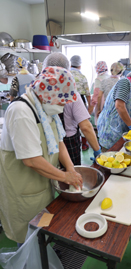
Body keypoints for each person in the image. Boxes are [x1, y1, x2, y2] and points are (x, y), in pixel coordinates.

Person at [0, 66, 83, 244]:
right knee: (27, 235)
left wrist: (71, 169)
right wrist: (65, 176)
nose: (62, 107)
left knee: (41, 231)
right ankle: (26, 267)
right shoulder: (21, 112)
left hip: (41, 184)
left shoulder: (45, 109)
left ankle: (42, 258)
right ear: (48, 94)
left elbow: (59, 141)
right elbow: (31, 160)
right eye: (61, 102)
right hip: (23, 187)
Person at [42, 52, 101, 163]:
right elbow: (86, 127)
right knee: (72, 175)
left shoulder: (39, 92)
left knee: (53, 175)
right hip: (69, 142)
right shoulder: (72, 94)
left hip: (47, 142)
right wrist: (97, 150)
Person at [70, 55, 91, 151]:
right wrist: (90, 106)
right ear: (79, 65)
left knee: (70, 125)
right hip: (80, 100)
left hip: (66, 101)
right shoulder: (82, 76)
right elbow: (87, 93)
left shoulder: (66, 74)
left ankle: (73, 144)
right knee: (83, 123)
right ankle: (84, 144)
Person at [88, 61, 110, 125]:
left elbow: (97, 94)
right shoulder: (109, 77)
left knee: (100, 121)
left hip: (101, 103)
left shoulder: (98, 79)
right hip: (109, 101)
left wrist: (92, 106)